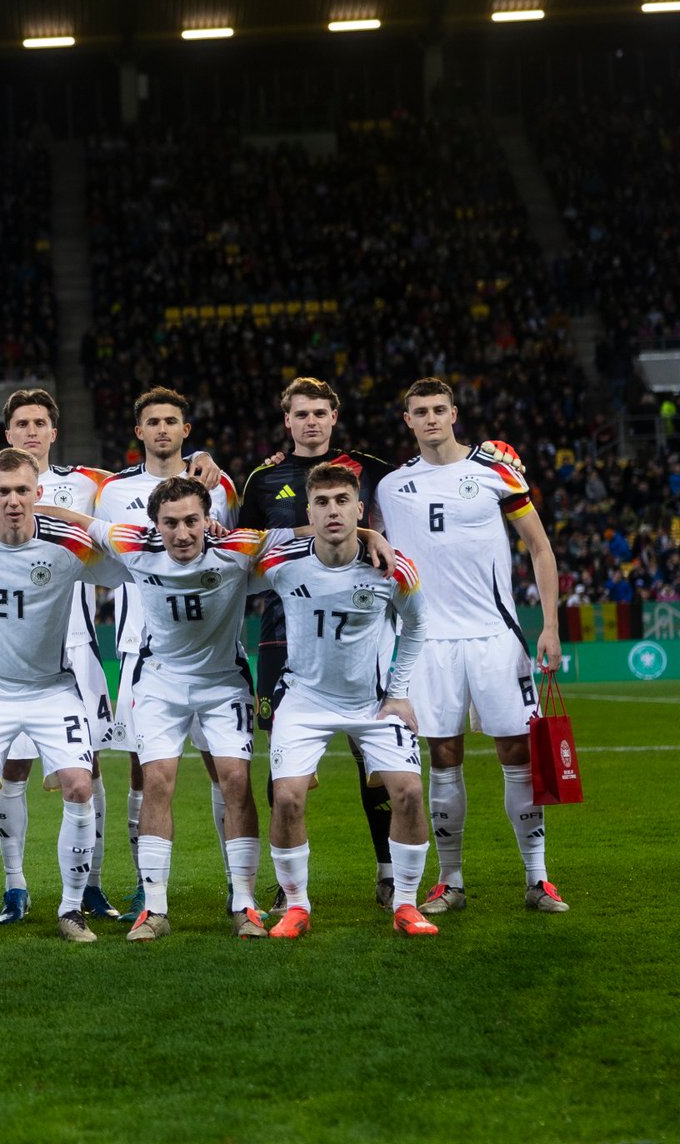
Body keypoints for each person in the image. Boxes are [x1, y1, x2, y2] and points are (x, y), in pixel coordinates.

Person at [53, 476, 290, 940]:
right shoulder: (132, 543)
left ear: (210, 520)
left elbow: (307, 534)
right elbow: (77, 521)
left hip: (223, 683)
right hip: (160, 683)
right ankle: (155, 909)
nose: (182, 534)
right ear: (154, 524)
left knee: (236, 780)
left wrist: (369, 535)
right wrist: (6, 511)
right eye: (170, 523)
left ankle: (244, 901)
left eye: (191, 522)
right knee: (157, 781)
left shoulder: (240, 547)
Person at [374, 377, 568, 915]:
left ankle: (538, 878)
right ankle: (450, 881)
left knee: (516, 754)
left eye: (440, 408)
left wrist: (549, 625)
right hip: (428, 642)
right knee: (443, 756)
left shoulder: (495, 471)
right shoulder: (390, 487)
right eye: (420, 411)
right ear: (407, 420)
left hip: (494, 636)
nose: (431, 418)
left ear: (454, 412)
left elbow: (540, 547)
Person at [0, 447, 126, 946]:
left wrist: (74, 518)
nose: (13, 501)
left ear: (38, 494)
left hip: (51, 689)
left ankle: (71, 909)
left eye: (23, 491)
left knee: (81, 787)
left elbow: (126, 565)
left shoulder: (67, 545)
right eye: (3, 492)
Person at [257, 464, 438, 939]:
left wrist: (398, 693)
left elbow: (418, 626)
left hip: (373, 704)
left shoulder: (391, 567)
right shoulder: (279, 562)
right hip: (304, 698)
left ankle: (405, 903)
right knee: (288, 797)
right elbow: (227, 555)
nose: (331, 510)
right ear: (308, 512)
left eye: (342, 501)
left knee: (410, 794)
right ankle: (296, 906)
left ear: (360, 510)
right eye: (322, 502)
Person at [239, 378, 397, 913]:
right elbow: (246, 551)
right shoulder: (263, 479)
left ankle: (389, 870)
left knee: (371, 757)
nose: (310, 422)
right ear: (287, 421)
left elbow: (393, 531)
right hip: (282, 632)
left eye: (320, 413)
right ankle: (286, 888)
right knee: (286, 766)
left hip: (359, 630)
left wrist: (375, 536)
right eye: (300, 414)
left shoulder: (371, 469)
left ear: (334, 416)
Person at [93, 387, 239, 920]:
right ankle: (144, 885)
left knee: (224, 767)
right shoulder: (112, 491)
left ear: (185, 429)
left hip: (212, 648)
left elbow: (236, 545)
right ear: (139, 432)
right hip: (140, 647)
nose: (161, 430)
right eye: (151, 421)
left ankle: (235, 881)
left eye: (171, 421)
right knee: (144, 769)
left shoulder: (215, 485)